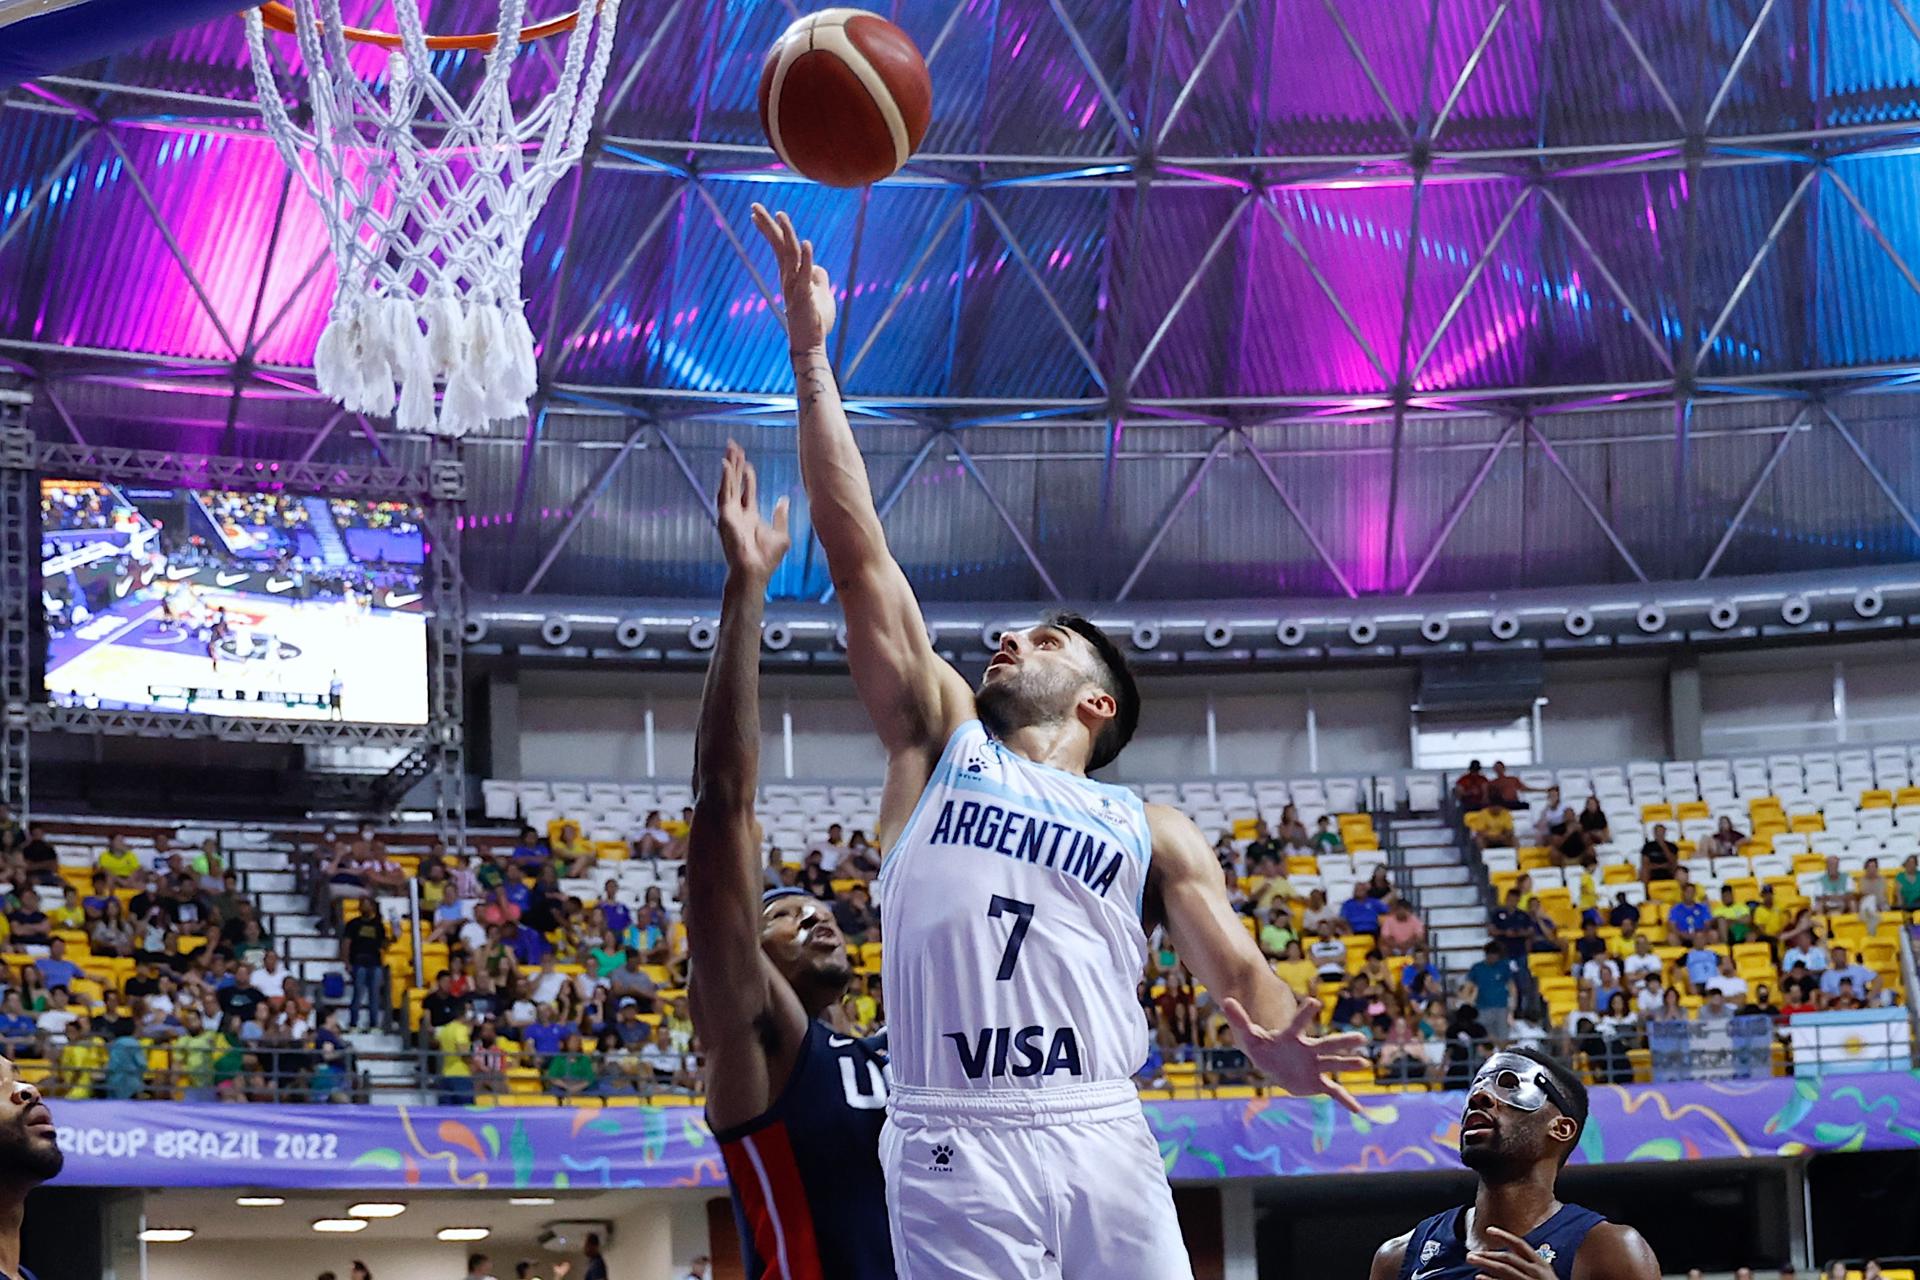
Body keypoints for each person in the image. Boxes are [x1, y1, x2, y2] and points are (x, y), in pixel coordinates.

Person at [753, 205, 1364, 1280]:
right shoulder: (938, 745)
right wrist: (811, 358)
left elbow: (1239, 969)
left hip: (1100, 1126)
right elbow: (858, 558)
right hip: (952, 1130)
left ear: (1096, 702)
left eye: (1041, 637)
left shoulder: (1152, 828)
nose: (1005, 637)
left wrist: (1270, 1033)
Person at [685, 447, 894, 1280]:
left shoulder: (896, 1055)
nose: (816, 914)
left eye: (822, 908)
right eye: (783, 913)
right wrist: (747, 590)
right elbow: (723, 800)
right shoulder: (758, 1043)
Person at [1369, 1048, 1660, 1280]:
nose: (1479, 1096)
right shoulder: (1398, 1257)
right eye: (1478, 1085)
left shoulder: (1611, 1252)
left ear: (1560, 1128)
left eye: (1509, 1085)